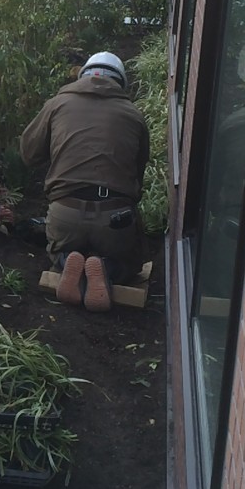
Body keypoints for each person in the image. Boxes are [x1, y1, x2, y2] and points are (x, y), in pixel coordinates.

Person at [19, 51, 150, 311]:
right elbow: (137, 176)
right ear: (120, 82)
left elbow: (28, 154)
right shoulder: (134, 115)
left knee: (56, 249)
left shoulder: (57, 104)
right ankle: (107, 268)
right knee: (132, 262)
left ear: (82, 75)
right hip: (114, 219)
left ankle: (67, 261)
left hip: (66, 213)